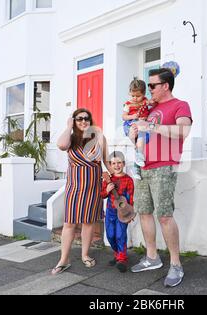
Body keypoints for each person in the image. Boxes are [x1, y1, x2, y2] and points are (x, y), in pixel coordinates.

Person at [129, 67, 192, 288]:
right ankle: (152, 257)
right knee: (144, 212)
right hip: (143, 167)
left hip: (164, 166)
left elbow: (183, 131)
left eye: (153, 85)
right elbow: (143, 134)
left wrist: (152, 126)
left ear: (165, 85)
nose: (149, 89)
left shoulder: (180, 105)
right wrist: (134, 133)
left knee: (164, 215)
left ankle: (176, 265)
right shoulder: (150, 108)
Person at [52, 109, 113, 275]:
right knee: (69, 223)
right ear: (74, 120)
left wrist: (114, 176)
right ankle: (64, 259)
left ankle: (85, 254)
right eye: (79, 119)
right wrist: (68, 126)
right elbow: (61, 145)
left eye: (86, 118)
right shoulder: (70, 139)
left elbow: (106, 160)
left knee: (88, 222)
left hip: (93, 185)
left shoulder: (99, 137)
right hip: (75, 186)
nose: (83, 121)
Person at [100, 151, 134, 273]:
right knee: (110, 235)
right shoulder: (108, 179)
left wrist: (130, 213)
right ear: (110, 165)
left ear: (123, 163)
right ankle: (117, 254)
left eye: (119, 163)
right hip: (110, 211)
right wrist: (107, 190)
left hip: (123, 213)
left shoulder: (128, 180)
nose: (117, 165)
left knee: (120, 235)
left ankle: (122, 258)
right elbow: (102, 195)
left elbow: (130, 198)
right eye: (114, 163)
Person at [122, 79, 152, 180]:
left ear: (143, 94)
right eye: (133, 96)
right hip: (130, 124)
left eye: (138, 96)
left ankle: (136, 166)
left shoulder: (145, 101)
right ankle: (136, 158)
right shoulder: (128, 104)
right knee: (135, 140)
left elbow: (153, 105)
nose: (135, 98)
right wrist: (132, 116)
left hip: (141, 126)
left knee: (141, 139)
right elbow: (124, 117)